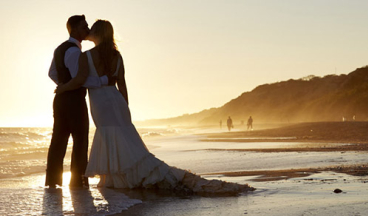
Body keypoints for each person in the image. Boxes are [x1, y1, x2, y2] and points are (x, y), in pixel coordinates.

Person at [56, 20, 252, 195]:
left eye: (92, 29)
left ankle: (117, 179)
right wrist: (126, 108)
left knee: (108, 135)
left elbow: (80, 80)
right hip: (116, 100)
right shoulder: (117, 56)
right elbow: (122, 85)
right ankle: (118, 178)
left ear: (97, 33)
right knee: (124, 136)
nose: (88, 30)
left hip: (101, 104)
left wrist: (63, 87)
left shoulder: (86, 56)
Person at [46, 15, 112, 189]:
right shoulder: (75, 52)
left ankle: (52, 183)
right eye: (84, 27)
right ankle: (78, 183)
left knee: (58, 141)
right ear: (74, 30)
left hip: (60, 100)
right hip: (74, 100)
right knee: (80, 140)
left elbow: (52, 73)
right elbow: (80, 79)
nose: (87, 29)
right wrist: (104, 80)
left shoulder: (60, 48)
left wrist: (62, 86)